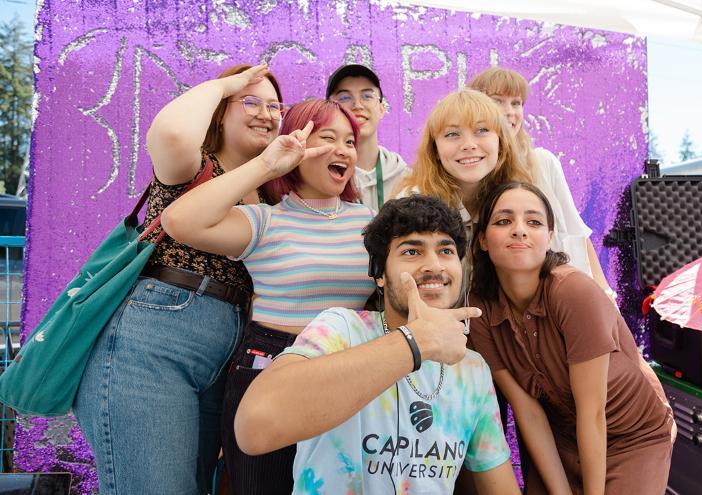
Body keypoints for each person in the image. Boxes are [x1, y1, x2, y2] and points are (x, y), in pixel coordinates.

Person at [73, 63, 282, 495]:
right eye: (250, 101)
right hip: (154, 341)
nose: (266, 113)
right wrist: (225, 82)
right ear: (219, 113)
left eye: (275, 105)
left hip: (227, 355)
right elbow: (168, 133)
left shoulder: (270, 193)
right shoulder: (193, 166)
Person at [234, 195, 521, 494]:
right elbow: (255, 426)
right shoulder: (342, 329)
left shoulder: (472, 370)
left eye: (446, 250)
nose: (435, 265)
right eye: (412, 251)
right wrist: (417, 341)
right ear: (380, 274)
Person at [162, 99, 376, 494]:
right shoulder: (266, 220)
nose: (343, 150)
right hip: (269, 363)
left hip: (348, 366)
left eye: (350, 141)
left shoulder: (371, 224)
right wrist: (267, 164)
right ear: (297, 144)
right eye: (327, 138)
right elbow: (178, 221)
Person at [468, 181, 675, 495]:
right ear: (482, 238)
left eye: (534, 222)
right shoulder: (479, 306)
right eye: (503, 221)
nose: (519, 230)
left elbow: (593, 413)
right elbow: (528, 411)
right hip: (559, 438)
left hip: (631, 437)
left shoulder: (572, 291)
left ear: (550, 237)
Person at [467, 67, 614, 298]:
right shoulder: (470, 172)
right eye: (498, 102)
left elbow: (576, 235)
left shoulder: (543, 162)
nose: (509, 112)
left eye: (516, 103)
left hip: (561, 294)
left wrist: (606, 294)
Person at [393, 88, 530, 242]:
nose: (469, 145)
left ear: (501, 142)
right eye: (452, 134)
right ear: (435, 149)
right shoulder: (412, 205)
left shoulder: (523, 199)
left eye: (482, 130)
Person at [326, 64, 409, 210]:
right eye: (345, 97)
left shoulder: (407, 180)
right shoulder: (322, 177)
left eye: (367, 96)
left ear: (382, 109)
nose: (357, 105)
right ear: (328, 110)